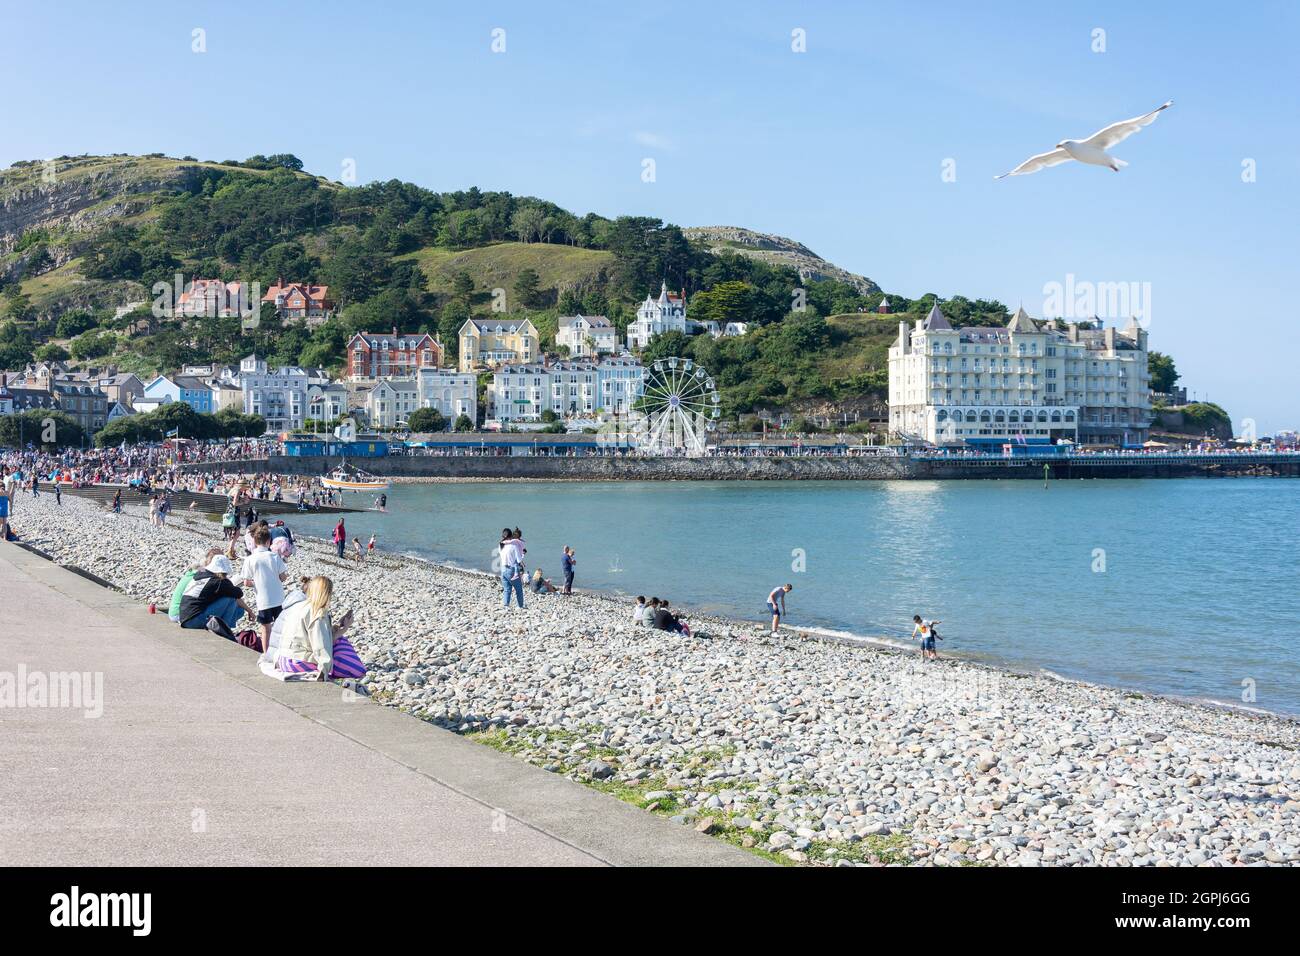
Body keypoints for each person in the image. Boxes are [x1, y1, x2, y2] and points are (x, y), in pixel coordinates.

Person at [273, 576, 358, 680]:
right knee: (342, 648)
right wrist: (324, 671)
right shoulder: (317, 613)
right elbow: (321, 645)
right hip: (296, 662)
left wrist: (337, 627)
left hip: (283, 659)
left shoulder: (299, 606)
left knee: (338, 644)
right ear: (326, 593)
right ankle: (358, 672)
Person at [243, 526, 289, 653]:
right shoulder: (274, 556)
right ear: (269, 541)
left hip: (263, 599)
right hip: (278, 598)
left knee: (265, 628)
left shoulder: (250, 559)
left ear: (255, 542)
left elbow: (246, 582)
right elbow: (283, 577)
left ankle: (266, 653)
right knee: (280, 628)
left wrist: (258, 582)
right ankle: (281, 652)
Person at [178, 555, 252, 633]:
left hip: (184, 618)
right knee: (231, 598)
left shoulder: (201, 573)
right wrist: (227, 581)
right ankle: (225, 630)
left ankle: (221, 626)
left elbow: (197, 567)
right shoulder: (218, 581)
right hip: (194, 620)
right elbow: (238, 593)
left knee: (239, 610)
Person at [167, 547, 223, 622]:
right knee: (225, 601)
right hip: (180, 614)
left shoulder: (195, 571)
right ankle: (221, 627)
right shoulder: (201, 576)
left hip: (174, 612)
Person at [500, 529, 525, 608]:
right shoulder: (514, 545)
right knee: (519, 590)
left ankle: (506, 605)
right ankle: (520, 606)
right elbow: (519, 559)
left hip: (503, 569)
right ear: (511, 536)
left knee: (507, 589)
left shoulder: (501, 545)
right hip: (512, 570)